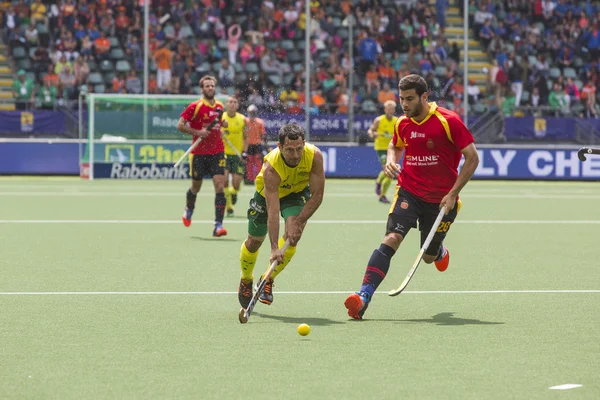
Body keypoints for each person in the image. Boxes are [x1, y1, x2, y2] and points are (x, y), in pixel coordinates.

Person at [344, 74, 480, 320]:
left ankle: (439, 252)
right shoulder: (402, 123)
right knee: (392, 237)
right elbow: (396, 145)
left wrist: (453, 194)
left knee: (428, 257)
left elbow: (472, 158)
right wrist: (392, 161)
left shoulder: (449, 121)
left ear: (424, 97)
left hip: (441, 200)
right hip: (409, 191)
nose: (404, 105)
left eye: (409, 99)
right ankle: (363, 297)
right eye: (401, 99)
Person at [237, 123, 325, 308]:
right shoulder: (272, 168)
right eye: (289, 150)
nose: (295, 155)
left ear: (304, 144)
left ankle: (267, 279)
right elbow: (273, 211)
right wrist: (274, 247)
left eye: (299, 149)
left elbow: (317, 195)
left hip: (295, 194)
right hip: (266, 196)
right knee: (254, 242)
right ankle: (246, 279)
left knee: (294, 236)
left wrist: (298, 222)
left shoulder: (314, 156)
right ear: (279, 146)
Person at [177, 75, 228, 237]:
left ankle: (218, 225)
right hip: (199, 153)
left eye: (212, 85)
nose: (210, 88)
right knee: (195, 187)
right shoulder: (195, 106)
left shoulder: (220, 106)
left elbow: (220, 123)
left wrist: (223, 124)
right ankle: (189, 208)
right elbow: (180, 125)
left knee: (220, 186)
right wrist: (197, 132)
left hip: (217, 152)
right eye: (207, 86)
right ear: (202, 89)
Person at [221, 96, 248, 217]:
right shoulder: (220, 118)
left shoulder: (243, 119)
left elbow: (246, 137)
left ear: (237, 105)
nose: (232, 104)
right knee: (224, 180)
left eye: (235, 102)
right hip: (223, 154)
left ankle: (233, 193)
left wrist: (245, 152)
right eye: (230, 102)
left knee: (236, 184)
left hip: (238, 155)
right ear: (226, 104)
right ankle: (229, 207)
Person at [367, 100, 398, 204]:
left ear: (394, 110)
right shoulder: (379, 120)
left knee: (388, 170)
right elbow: (370, 131)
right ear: (385, 109)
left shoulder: (397, 121)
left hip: (392, 149)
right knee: (389, 171)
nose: (390, 111)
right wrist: (373, 134)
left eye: (392, 109)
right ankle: (382, 195)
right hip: (381, 148)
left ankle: (379, 181)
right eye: (388, 109)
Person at [244, 104, 269, 183]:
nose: (252, 114)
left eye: (253, 112)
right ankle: (249, 179)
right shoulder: (245, 121)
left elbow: (263, 134)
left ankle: (259, 178)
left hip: (257, 144)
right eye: (251, 112)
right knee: (249, 162)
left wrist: (265, 144)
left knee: (258, 162)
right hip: (248, 145)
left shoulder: (259, 122)